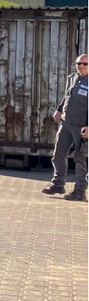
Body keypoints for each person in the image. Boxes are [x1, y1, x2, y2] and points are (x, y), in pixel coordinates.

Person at [43, 53, 88, 201]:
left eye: (85, 64)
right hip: (66, 123)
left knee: (80, 158)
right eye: (78, 63)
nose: (81, 66)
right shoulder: (72, 78)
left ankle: (80, 191)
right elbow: (67, 96)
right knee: (58, 154)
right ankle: (58, 184)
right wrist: (59, 109)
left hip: (81, 126)